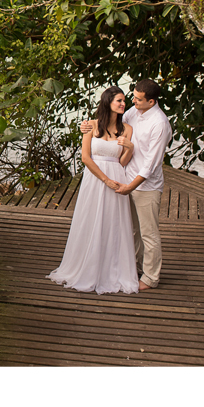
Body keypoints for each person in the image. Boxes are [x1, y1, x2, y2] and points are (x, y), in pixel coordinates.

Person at [80, 79, 172, 291]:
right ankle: (134, 267)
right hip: (124, 177)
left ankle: (150, 278)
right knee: (131, 230)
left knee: (149, 233)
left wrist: (131, 186)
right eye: (133, 97)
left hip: (144, 184)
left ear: (151, 101)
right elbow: (112, 124)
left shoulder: (159, 123)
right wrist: (87, 125)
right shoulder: (133, 112)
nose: (132, 101)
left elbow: (151, 164)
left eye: (138, 99)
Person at [47, 86, 139, 294]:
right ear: (108, 102)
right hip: (96, 177)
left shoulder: (127, 129)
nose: (123, 104)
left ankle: (113, 270)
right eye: (119, 100)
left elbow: (122, 161)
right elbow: (86, 158)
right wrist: (105, 179)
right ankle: (85, 266)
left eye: (124, 101)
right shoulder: (90, 125)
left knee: (114, 223)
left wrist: (130, 148)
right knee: (90, 219)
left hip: (117, 175)